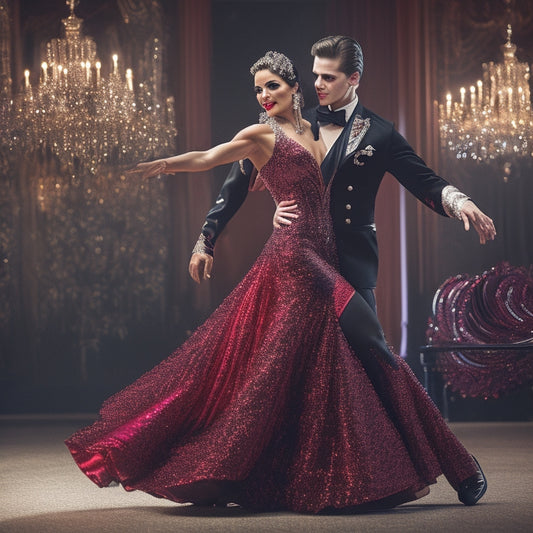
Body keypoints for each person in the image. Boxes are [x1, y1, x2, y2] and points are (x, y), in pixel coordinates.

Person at [65, 51, 486, 513]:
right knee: (380, 349)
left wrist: (457, 200)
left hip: (337, 257)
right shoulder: (261, 133)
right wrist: (170, 179)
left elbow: (377, 178)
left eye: (273, 87)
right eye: (259, 90)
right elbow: (214, 162)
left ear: (295, 88)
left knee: (318, 373)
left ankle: (345, 474)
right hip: (299, 259)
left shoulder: (328, 129)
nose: (265, 97)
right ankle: (460, 466)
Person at [189, 36, 496, 314]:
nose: (318, 85)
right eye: (316, 76)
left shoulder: (381, 133)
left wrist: (461, 203)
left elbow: (423, 180)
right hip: (301, 262)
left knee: (367, 358)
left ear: (354, 78)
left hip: (353, 262)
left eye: (328, 77)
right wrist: (206, 241)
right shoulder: (289, 127)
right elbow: (235, 185)